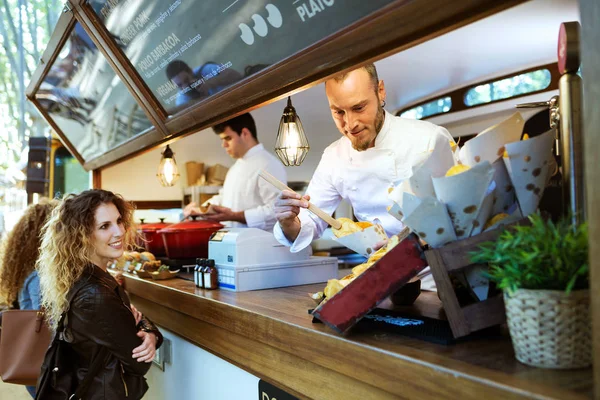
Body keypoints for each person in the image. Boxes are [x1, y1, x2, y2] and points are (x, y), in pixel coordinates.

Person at [273, 63, 456, 252]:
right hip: (382, 271)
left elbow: (462, 215)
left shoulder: (430, 139)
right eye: (338, 112)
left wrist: (415, 243)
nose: (350, 124)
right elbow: (309, 221)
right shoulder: (334, 157)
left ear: (381, 91)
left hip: (435, 271)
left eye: (359, 108)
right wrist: (288, 222)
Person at [36, 189, 163, 399]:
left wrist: (147, 330)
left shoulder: (87, 278)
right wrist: (145, 330)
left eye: (119, 221)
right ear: (82, 236)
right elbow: (140, 363)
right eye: (105, 226)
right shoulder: (95, 295)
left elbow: (129, 319)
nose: (119, 231)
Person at [183, 113, 287, 231]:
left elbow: (278, 211)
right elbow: (224, 198)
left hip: (260, 244)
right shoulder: (235, 167)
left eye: (228, 138)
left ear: (245, 133)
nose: (224, 145)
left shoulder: (268, 164)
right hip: (233, 239)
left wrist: (234, 216)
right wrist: (200, 208)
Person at [0, 200, 57, 398]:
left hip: (39, 365)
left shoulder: (31, 270)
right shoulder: (40, 275)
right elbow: (46, 319)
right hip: (43, 366)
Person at [166, 60, 243, 107]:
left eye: (186, 80)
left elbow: (236, 75)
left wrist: (210, 83)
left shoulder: (205, 70)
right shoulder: (182, 100)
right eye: (180, 85)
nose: (185, 87)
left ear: (190, 71)